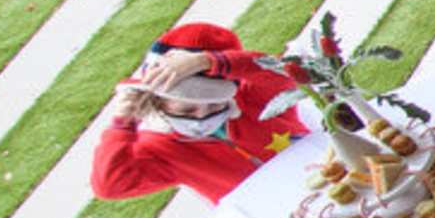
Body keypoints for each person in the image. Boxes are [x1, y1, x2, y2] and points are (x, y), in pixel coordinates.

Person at [85, 21, 310, 204]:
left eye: (214, 104)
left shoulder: (253, 97)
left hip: (321, 171)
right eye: (187, 108)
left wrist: (207, 62)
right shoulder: (158, 148)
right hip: (270, 211)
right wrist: (121, 123)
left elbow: (283, 72)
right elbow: (109, 186)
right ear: (157, 101)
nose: (202, 115)